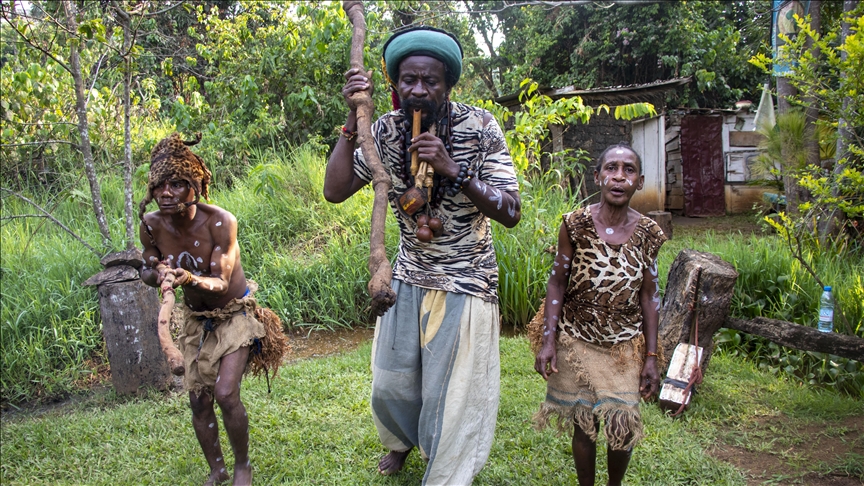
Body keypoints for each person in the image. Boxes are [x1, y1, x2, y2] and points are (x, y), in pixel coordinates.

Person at [324, 26, 521, 485]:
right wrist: (352, 124)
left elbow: (511, 211)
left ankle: (447, 471)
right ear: (395, 84)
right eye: (408, 80)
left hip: (465, 276)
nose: (418, 90)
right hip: (409, 272)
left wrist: (454, 169)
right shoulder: (385, 131)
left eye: (429, 81)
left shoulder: (480, 126)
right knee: (392, 382)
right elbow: (334, 190)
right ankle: (400, 442)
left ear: (448, 84)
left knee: (449, 392)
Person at [139, 132, 284, 486]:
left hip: (234, 314)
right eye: (160, 186)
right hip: (197, 321)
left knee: (224, 393)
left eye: (177, 184)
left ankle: (242, 466)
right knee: (200, 401)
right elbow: (146, 265)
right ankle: (217, 469)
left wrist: (187, 277)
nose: (167, 192)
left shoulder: (220, 222)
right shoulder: (152, 225)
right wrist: (156, 273)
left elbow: (220, 281)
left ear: (197, 184)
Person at [532, 143, 667, 486]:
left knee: (622, 427)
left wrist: (651, 356)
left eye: (629, 170)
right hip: (577, 340)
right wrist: (549, 341)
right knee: (584, 425)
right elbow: (557, 283)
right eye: (611, 168)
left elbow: (649, 297)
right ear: (598, 176)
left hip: (622, 348)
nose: (619, 177)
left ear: (639, 181)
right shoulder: (574, 226)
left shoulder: (648, 233)